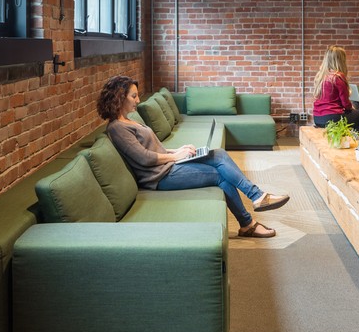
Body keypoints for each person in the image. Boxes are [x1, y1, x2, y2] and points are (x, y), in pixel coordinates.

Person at [98, 75, 289, 238]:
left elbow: (152, 148)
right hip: (160, 177)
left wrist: (177, 150)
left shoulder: (129, 121)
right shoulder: (117, 128)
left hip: (167, 166)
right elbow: (145, 158)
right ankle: (248, 221)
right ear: (120, 97)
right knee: (220, 176)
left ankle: (257, 198)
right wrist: (176, 157)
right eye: (134, 96)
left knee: (219, 154)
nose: (138, 100)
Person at [311, 45, 359, 135]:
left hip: (317, 118)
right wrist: (351, 107)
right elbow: (345, 104)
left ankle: (344, 139)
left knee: (352, 115)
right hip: (332, 118)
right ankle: (358, 145)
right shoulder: (337, 77)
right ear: (340, 60)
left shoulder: (321, 76)